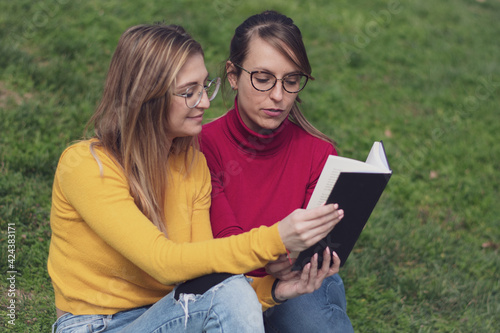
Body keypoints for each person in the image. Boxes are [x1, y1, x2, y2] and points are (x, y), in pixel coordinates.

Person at [47, 23, 345, 333]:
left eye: (204, 87)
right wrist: (277, 238)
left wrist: (274, 291)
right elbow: (162, 261)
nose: (204, 102)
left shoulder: (191, 164)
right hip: (98, 325)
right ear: (148, 96)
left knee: (228, 288)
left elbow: (211, 279)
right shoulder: (87, 165)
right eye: (189, 92)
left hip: (170, 315)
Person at [200, 10, 354, 333]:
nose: (279, 96)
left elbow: (316, 248)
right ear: (232, 74)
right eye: (263, 78)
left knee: (314, 321)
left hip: (298, 283)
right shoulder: (203, 146)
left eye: (291, 80)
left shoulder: (320, 154)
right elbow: (225, 240)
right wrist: (270, 256)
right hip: (227, 286)